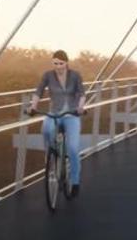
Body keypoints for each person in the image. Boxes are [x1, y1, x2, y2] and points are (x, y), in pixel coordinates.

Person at [29, 50, 86, 197]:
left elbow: (81, 93)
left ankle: (75, 181)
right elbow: (39, 90)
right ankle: (51, 154)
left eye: (61, 63)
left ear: (66, 63)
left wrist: (80, 107)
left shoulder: (75, 75)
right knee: (46, 130)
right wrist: (33, 106)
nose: (58, 66)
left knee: (73, 148)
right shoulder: (48, 75)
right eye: (55, 63)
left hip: (71, 115)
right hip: (55, 112)